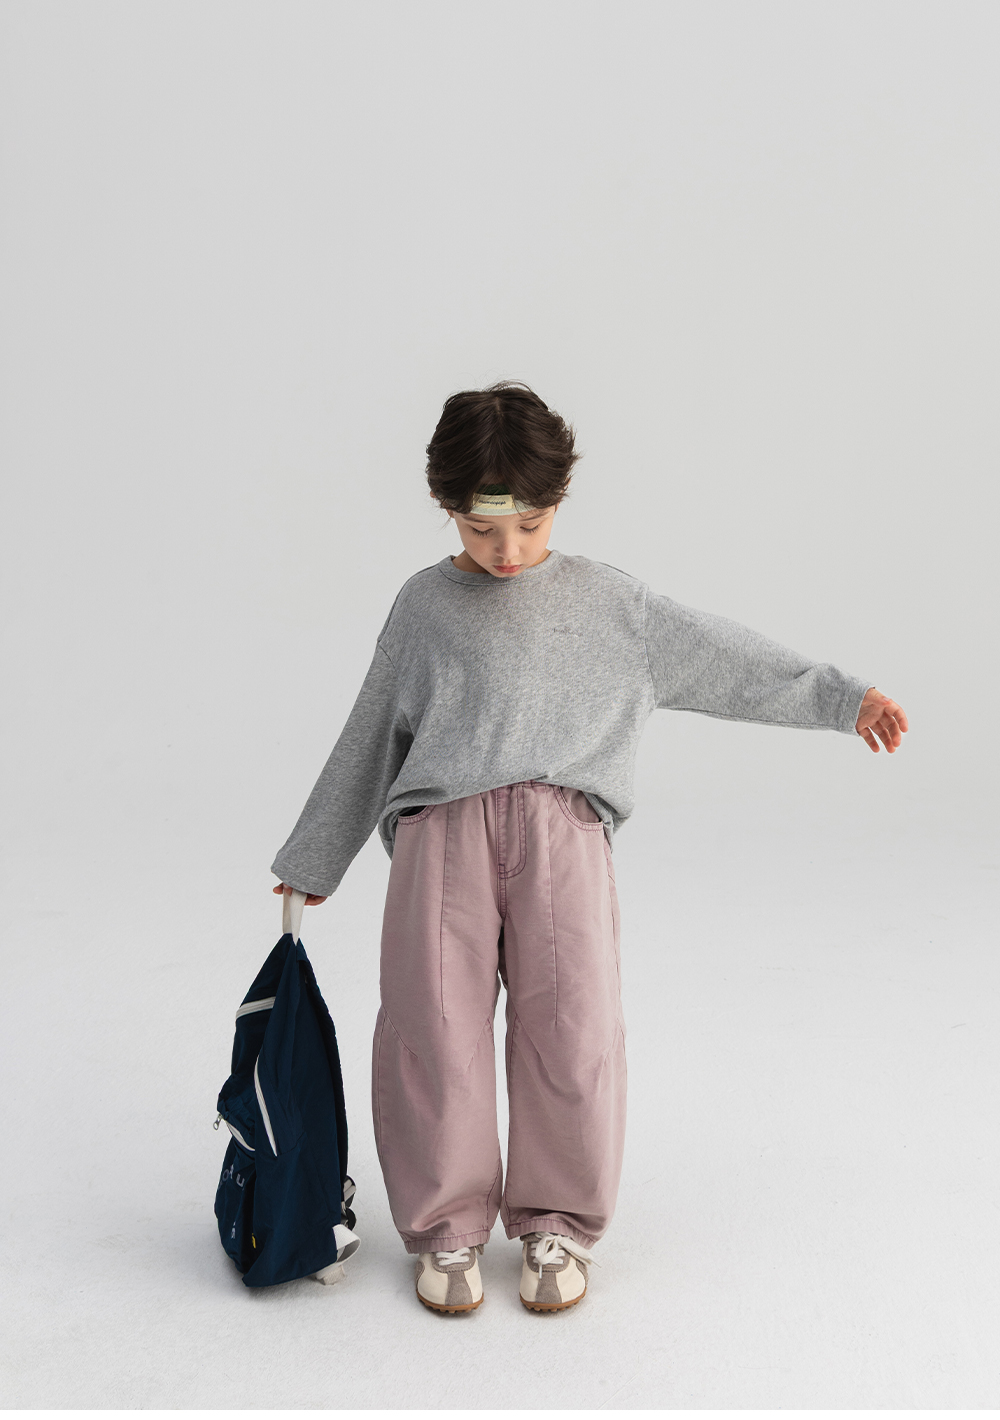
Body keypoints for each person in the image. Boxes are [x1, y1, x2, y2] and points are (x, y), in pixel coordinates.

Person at [270, 381, 908, 1315]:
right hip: (441, 842)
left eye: (528, 526)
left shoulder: (613, 605)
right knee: (431, 1031)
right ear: (446, 507)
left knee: (572, 1031)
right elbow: (372, 731)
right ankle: (446, 1228)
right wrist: (315, 856)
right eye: (482, 530)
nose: (507, 550)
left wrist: (842, 699)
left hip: (562, 839)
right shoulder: (424, 606)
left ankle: (558, 1221)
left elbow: (726, 658)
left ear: (558, 500)